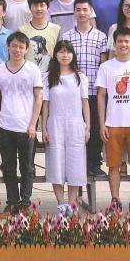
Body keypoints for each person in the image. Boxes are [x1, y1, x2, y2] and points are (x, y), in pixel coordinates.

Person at [97, 27, 130, 214]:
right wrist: (102, 124)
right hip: (113, 123)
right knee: (113, 165)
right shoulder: (106, 67)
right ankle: (115, 200)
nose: (123, 44)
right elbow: (101, 96)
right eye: (120, 41)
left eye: (127, 41)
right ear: (114, 44)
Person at [0, 31, 44, 213]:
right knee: (8, 167)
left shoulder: (33, 70)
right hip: (5, 126)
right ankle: (12, 201)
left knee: (27, 167)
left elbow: (39, 97)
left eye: (21, 47)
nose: (17, 50)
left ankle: (25, 203)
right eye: (14, 46)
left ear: (26, 49)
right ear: (8, 47)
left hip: (26, 127)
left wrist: (33, 124)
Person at [61, 0, 108, 177]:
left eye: (85, 9)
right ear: (74, 12)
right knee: (74, 128)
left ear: (91, 12)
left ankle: (94, 163)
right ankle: (75, 163)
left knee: (94, 127)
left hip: (94, 90)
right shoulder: (67, 36)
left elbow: (103, 64)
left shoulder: (101, 37)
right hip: (73, 91)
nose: (81, 13)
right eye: (78, 10)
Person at [42, 40, 90, 214]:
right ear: (55, 54)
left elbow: (85, 103)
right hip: (55, 124)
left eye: (68, 52)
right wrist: (44, 127)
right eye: (61, 52)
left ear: (72, 55)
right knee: (56, 162)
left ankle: (72, 203)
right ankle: (61, 203)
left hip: (76, 124)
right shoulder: (48, 77)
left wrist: (87, 127)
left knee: (75, 163)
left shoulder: (80, 77)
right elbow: (45, 104)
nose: (65, 55)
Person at [20, 0, 61, 72]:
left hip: (50, 75)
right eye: (35, 5)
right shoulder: (22, 30)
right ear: (30, 8)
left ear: (47, 7)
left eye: (42, 5)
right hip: (28, 73)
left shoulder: (56, 29)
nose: (39, 9)